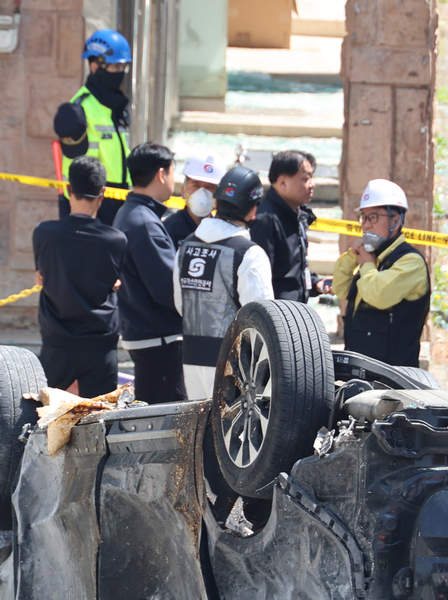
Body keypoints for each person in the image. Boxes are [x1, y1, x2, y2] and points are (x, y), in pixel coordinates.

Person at [173, 164, 274, 399]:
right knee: (227, 434)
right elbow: (262, 317)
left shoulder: (186, 246)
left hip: (191, 356)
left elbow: (181, 305)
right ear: (252, 211)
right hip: (235, 363)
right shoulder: (249, 253)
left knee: (198, 429)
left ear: (216, 202)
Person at [33, 156, 128, 397]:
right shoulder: (115, 240)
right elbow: (113, 281)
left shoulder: (44, 234)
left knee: (38, 415)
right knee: (99, 418)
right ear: (103, 192)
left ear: (67, 189)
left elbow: (42, 275)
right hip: (100, 343)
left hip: (57, 340)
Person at [114, 142, 186, 404]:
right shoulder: (144, 221)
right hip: (158, 339)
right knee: (168, 419)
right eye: (173, 171)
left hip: (145, 333)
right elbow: (167, 289)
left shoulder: (130, 213)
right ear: (161, 174)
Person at [334, 179, 432, 369]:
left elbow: (377, 294)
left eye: (374, 217)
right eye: (364, 217)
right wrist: (351, 258)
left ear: (396, 220)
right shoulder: (372, 259)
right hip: (360, 369)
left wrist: (366, 265)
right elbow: (340, 289)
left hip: (393, 375)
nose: (367, 225)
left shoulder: (410, 262)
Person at [54, 29, 132, 225]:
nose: (120, 73)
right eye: (115, 67)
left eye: (123, 67)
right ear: (94, 65)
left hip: (118, 200)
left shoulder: (113, 106)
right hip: (92, 205)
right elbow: (81, 170)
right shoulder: (80, 109)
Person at [250, 150, 321, 302]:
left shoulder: (296, 215)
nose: (312, 184)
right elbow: (260, 280)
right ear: (282, 182)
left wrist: (316, 283)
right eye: (305, 178)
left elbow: (292, 269)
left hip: (294, 314)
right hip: (275, 317)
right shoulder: (265, 220)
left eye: (312, 177)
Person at [163, 152, 225, 246]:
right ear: (183, 191)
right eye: (196, 185)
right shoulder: (168, 231)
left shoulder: (223, 233)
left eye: (210, 187)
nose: (202, 192)